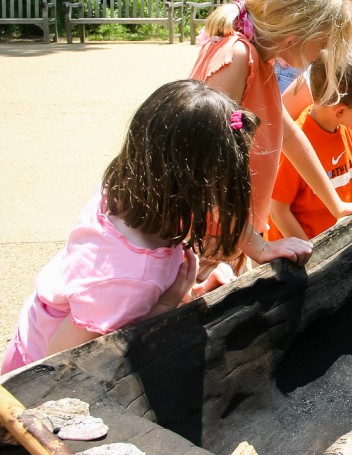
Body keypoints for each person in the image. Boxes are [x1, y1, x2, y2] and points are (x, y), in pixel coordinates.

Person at [2, 81, 258, 373]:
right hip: (33, 380)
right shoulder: (128, 280)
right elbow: (60, 366)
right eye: (221, 182)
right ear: (194, 183)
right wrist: (167, 301)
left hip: (35, 327)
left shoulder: (125, 192)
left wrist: (187, 292)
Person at [190, 0, 352, 273]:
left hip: (233, 230)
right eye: (324, 41)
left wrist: (337, 205)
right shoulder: (236, 60)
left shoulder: (262, 59)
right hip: (206, 232)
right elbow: (209, 169)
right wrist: (257, 245)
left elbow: (287, 133)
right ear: (294, 38)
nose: (324, 52)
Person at [268, 49, 352, 241]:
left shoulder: (348, 127)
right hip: (300, 252)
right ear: (340, 111)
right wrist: (311, 255)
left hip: (335, 239)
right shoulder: (295, 146)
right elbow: (277, 210)